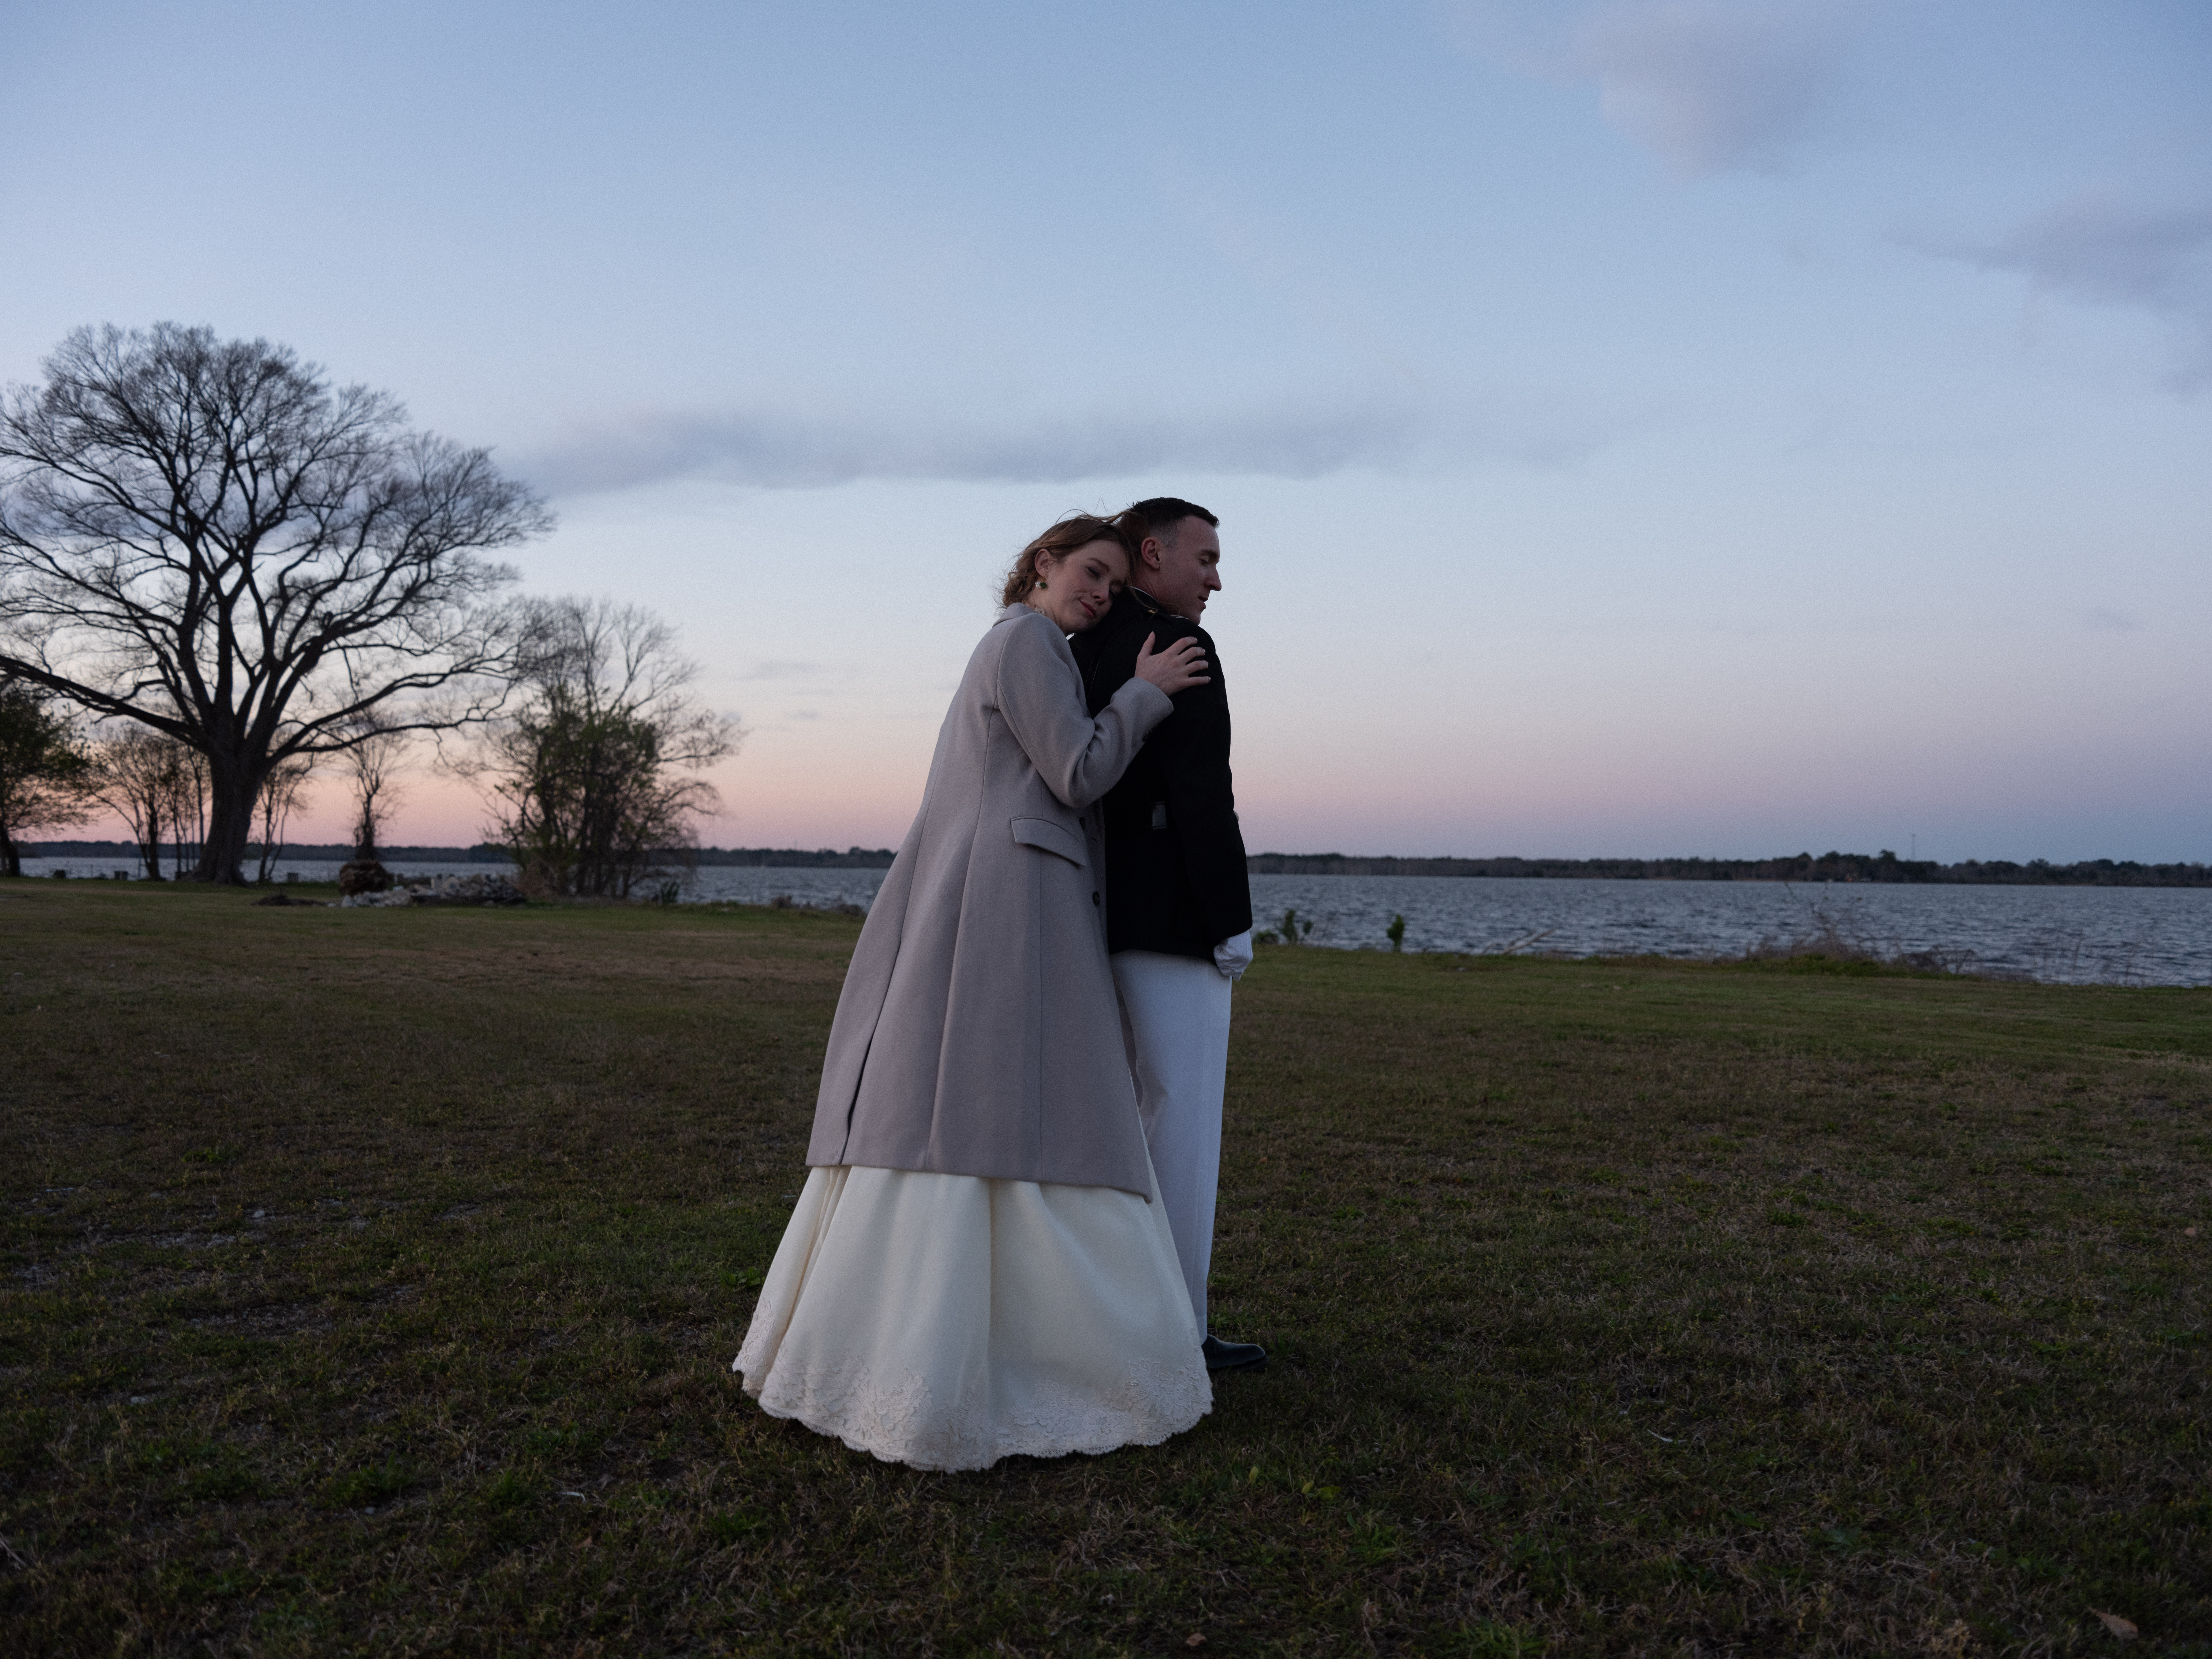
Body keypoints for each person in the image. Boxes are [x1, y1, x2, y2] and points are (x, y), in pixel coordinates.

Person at [734, 514, 1217, 1472]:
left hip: (1013, 896)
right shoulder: (1025, 640)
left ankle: (1000, 1340)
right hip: (1006, 901)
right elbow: (1076, 771)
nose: (1099, 595)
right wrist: (1143, 695)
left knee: (1002, 1099)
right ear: (1043, 565)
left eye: (1115, 587)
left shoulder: (1026, 645)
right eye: (1090, 572)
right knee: (1002, 1100)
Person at [1068, 497, 1264, 1373]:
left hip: (1089, 917)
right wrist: (1231, 922)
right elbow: (1200, 795)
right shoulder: (1184, 648)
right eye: (1207, 558)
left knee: (1112, 1126)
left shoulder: (1081, 649)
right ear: (1154, 553)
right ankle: (1175, 1331)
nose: (1217, 578)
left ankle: (1100, 1315)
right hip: (1174, 925)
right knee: (1182, 1128)